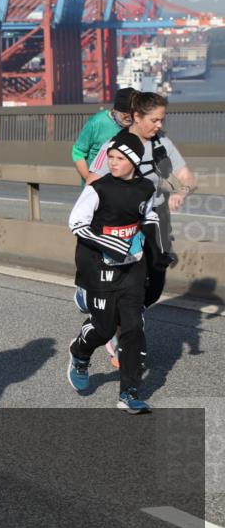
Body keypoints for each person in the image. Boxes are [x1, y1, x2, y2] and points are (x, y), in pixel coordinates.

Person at [67, 131, 172, 413]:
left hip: (132, 266)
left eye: (120, 158)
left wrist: (157, 250)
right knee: (103, 328)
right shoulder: (98, 188)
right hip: (98, 265)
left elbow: (148, 216)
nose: (113, 163)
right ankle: (80, 353)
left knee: (134, 327)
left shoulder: (146, 188)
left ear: (134, 162)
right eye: (110, 157)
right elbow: (76, 223)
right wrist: (108, 242)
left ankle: (129, 393)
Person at [90, 92, 197, 308]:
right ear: (137, 117)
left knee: (155, 287)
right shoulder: (114, 145)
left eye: (162, 120)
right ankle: (119, 325)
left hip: (156, 221)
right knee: (130, 281)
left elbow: (187, 176)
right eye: (154, 120)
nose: (159, 125)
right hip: (124, 223)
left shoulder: (162, 143)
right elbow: (93, 183)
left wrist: (181, 191)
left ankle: (128, 318)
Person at [69, 87, 136, 314]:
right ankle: (84, 287)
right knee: (92, 245)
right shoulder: (98, 123)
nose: (130, 119)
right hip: (96, 194)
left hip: (123, 196)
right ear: (115, 110)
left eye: (134, 115)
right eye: (126, 114)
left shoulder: (137, 127)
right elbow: (78, 151)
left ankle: (116, 292)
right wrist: (89, 177)